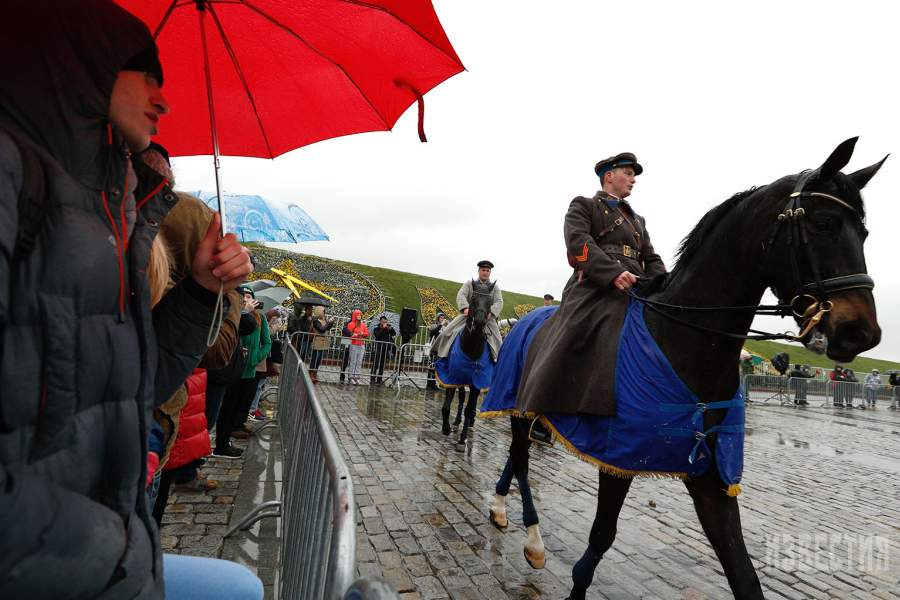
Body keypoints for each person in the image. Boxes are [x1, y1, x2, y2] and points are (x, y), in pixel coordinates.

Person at [0, 2, 259, 598]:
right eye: (146, 72)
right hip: (63, 555)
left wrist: (201, 288)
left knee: (241, 588)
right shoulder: (19, 182)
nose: (164, 100)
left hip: (105, 544)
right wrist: (116, 548)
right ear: (81, 66)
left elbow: (138, 387)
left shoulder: (115, 212)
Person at [517, 152, 667, 418]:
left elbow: (651, 258)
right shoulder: (585, 205)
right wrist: (611, 273)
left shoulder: (637, 220)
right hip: (596, 283)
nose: (633, 180)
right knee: (574, 328)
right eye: (628, 174)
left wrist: (664, 284)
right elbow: (579, 245)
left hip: (636, 284)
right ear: (609, 176)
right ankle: (544, 406)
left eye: (633, 175)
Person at [214, 287, 270, 457]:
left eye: (249, 297)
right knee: (228, 405)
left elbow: (266, 342)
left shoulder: (259, 318)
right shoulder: (233, 314)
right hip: (232, 367)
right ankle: (225, 437)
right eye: (244, 297)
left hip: (249, 367)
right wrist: (243, 312)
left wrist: (255, 358)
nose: (247, 299)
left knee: (243, 400)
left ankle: (234, 429)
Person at [432, 260, 505, 362]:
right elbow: (461, 295)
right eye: (483, 270)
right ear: (479, 271)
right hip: (468, 316)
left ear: (490, 273)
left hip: (487, 319)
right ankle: (438, 357)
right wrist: (465, 308)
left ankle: (498, 364)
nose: (485, 272)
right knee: (446, 333)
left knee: (498, 342)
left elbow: (499, 301)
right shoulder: (469, 284)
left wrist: (491, 313)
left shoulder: (495, 288)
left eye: (488, 270)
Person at [309, 305, 335, 383]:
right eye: (323, 311)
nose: (324, 313)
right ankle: (311, 374)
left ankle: (315, 374)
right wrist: (328, 323)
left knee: (318, 360)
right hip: (317, 342)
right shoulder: (315, 320)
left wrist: (331, 323)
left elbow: (327, 328)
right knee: (315, 359)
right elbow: (321, 329)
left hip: (323, 342)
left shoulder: (324, 320)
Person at [370, 315, 397, 385]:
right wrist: (383, 329)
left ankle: (379, 379)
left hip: (386, 348)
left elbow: (394, 333)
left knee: (382, 365)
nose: (384, 323)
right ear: (380, 321)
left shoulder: (388, 327)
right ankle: (372, 378)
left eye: (385, 322)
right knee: (375, 363)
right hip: (378, 348)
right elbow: (377, 335)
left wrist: (390, 329)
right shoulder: (376, 328)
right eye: (383, 322)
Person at [346, 309, 369, 385]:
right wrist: (354, 334)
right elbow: (349, 333)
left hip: (361, 344)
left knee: (359, 361)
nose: (359, 316)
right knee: (353, 361)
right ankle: (351, 376)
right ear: (354, 315)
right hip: (354, 344)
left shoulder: (363, 324)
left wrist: (362, 333)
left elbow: (367, 333)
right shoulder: (351, 324)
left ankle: (357, 376)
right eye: (358, 314)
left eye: (360, 314)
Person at [426, 313, 449, 390]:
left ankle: (434, 384)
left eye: (443, 317)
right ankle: (429, 384)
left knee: (437, 367)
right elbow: (433, 332)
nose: (442, 319)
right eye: (440, 317)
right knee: (432, 367)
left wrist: (448, 326)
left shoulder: (444, 327)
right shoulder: (435, 325)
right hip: (434, 349)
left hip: (441, 349)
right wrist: (440, 325)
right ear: (438, 318)